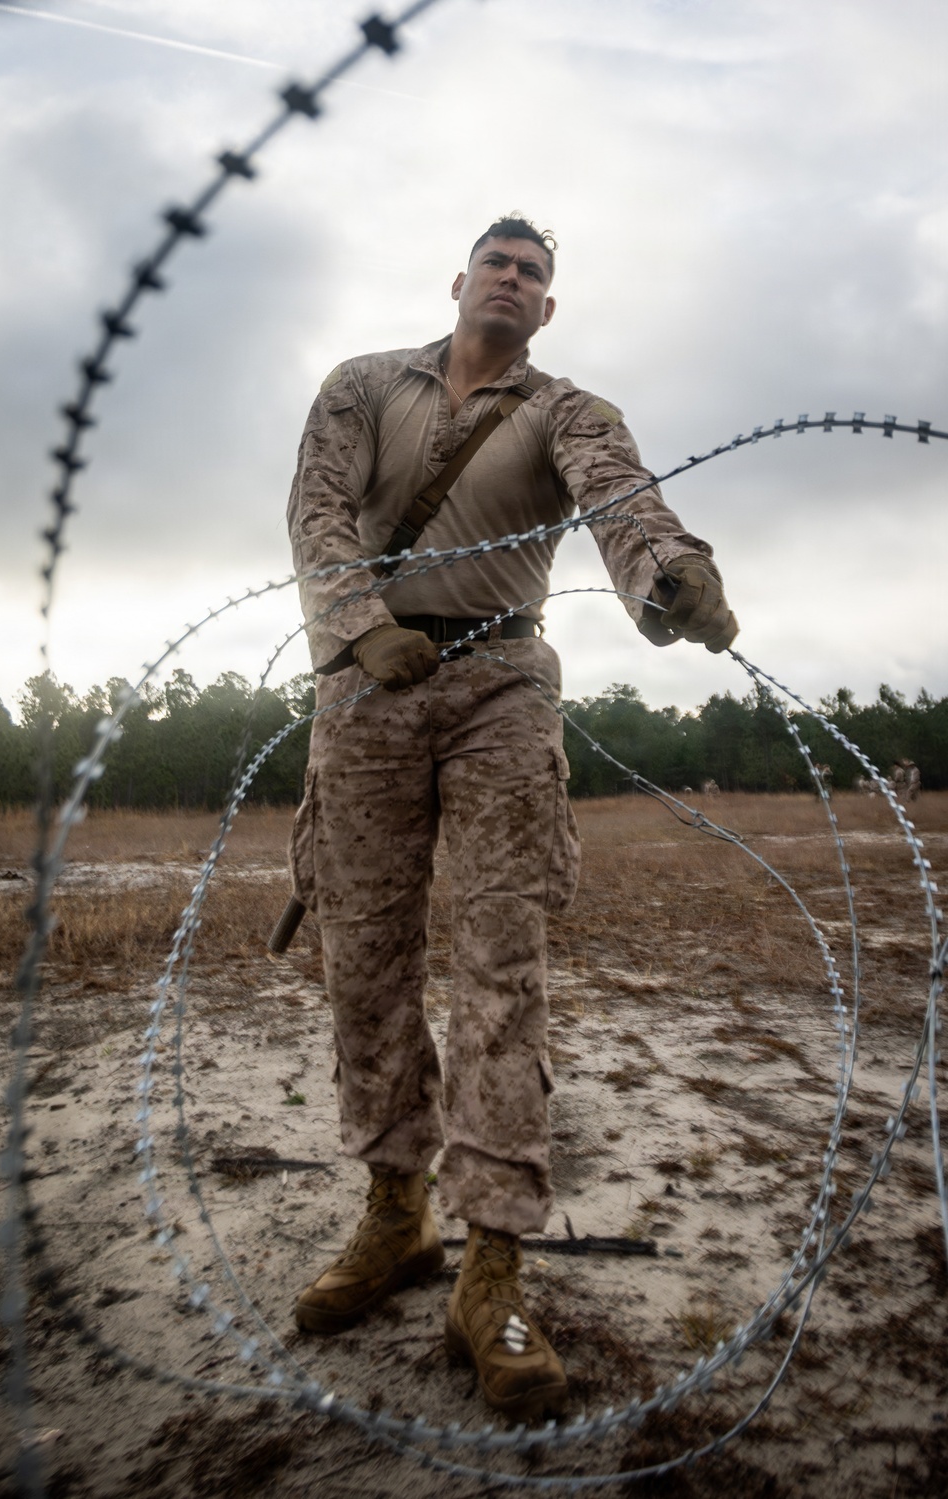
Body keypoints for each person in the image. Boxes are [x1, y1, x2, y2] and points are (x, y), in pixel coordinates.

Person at [285, 216, 738, 1422]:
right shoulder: (363, 385)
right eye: (499, 262)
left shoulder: (564, 408)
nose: (515, 281)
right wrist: (355, 624)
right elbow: (319, 511)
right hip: (363, 690)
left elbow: (618, 496)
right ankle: (396, 1215)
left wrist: (667, 572)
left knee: (501, 970)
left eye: (535, 276)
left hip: (499, 689)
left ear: (548, 310)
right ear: (458, 281)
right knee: (366, 964)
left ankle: (492, 1267)